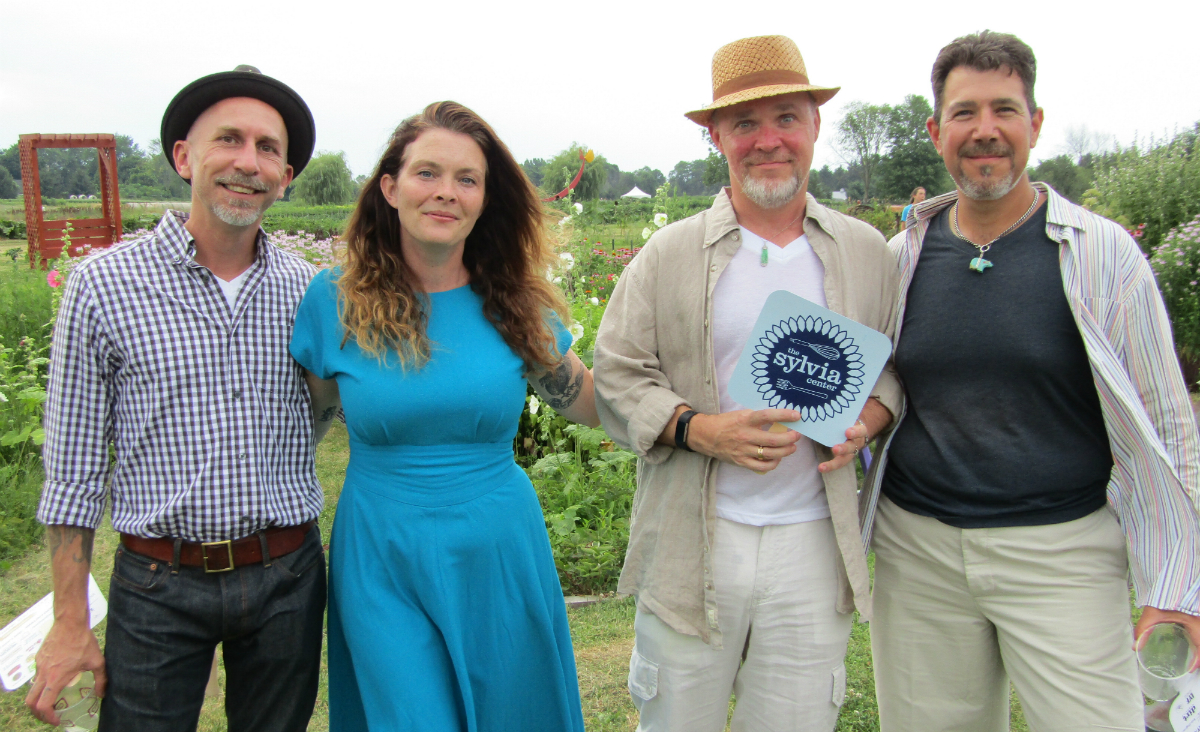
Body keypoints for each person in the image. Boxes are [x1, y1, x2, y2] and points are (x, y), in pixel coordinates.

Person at [863, 30, 1200, 731]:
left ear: (1034, 125)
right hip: (918, 552)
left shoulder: (1104, 256)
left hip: (1063, 553)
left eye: (1004, 110)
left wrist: (1177, 584)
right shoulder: (899, 258)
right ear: (936, 131)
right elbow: (877, 391)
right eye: (964, 113)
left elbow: (1170, 425)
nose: (984, 131)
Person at [594, 35, 902, 731]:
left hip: (813, 544)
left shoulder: (863, 251)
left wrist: (871, 419)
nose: (769, 141)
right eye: (745, 124)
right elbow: (616, 370)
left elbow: (891, 365)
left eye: (787, 118)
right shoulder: (669, 253)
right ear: (716, 138)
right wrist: (698, 430)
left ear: (816, 125)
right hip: (695, 542)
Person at [28, 66, 328, 732]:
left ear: (286, 175)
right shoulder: (102, 286)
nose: (247, 163)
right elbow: (73, 470)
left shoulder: (310, 292)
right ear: (184, 156)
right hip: (159, 581)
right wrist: (70, 624)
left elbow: (326, 410)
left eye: (268, 148)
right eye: (229, 140)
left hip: (286, 574)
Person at [291, 101, 596, 731]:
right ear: (390, 186)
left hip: (499, 548)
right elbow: (306, 424)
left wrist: (691, 420)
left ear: (486, 199)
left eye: (467, 179)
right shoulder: (333, 303)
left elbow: (589, 403)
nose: (446, 193)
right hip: (381, 554)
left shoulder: (517, 305)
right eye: (427, 172)